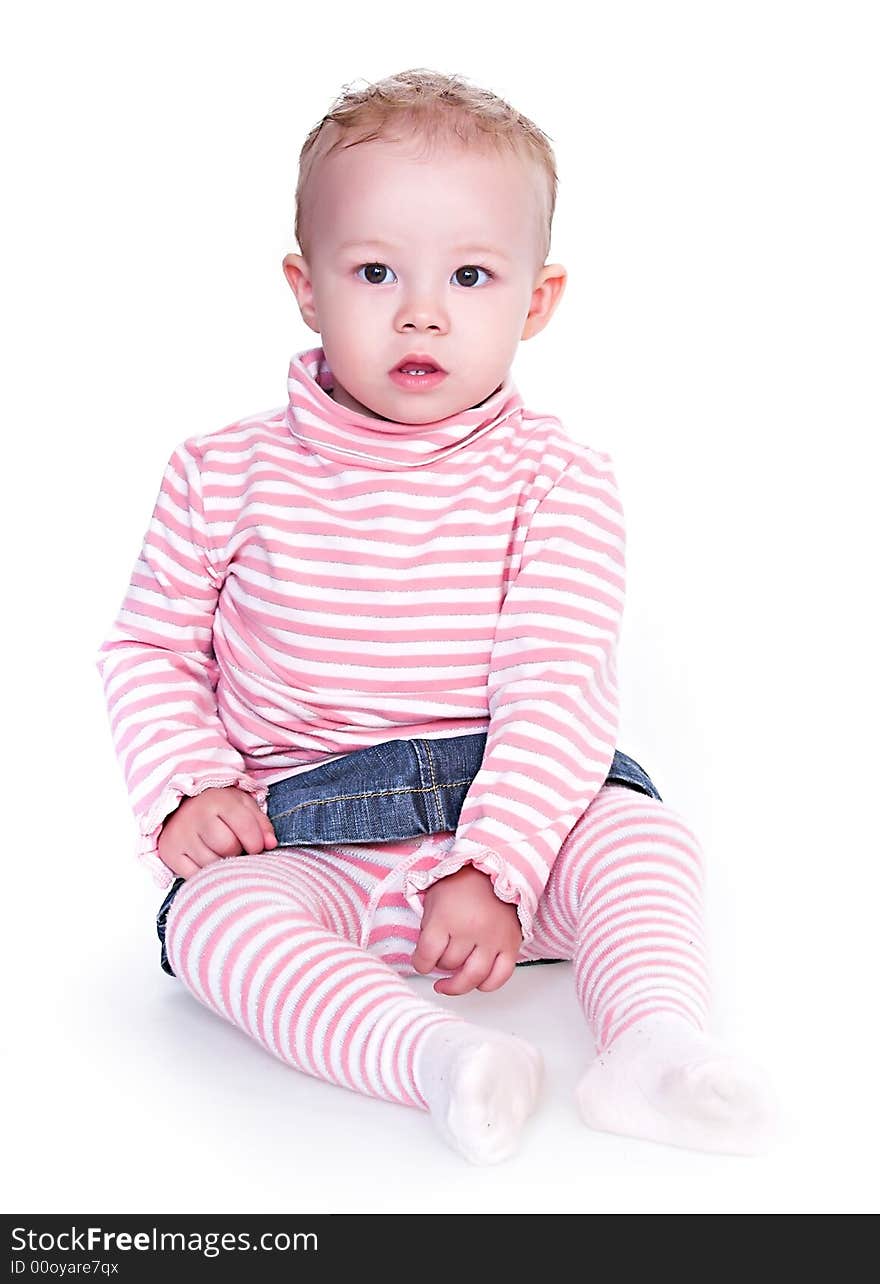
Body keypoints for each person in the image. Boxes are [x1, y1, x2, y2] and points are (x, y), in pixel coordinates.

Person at [95, 68, 777, 1165]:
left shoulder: (557, 479)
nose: (422, 310)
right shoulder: (220, 474)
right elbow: (151, 646)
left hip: (521, 811)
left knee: (642, 840)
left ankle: (654, 1043)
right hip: (307, 827)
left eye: (470, 273)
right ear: (306, 287)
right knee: (212, 922)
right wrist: (191, 783)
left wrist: (496, 863)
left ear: (535, 301)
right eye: (374, 271)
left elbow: (556, 683)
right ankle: (437, 1059)